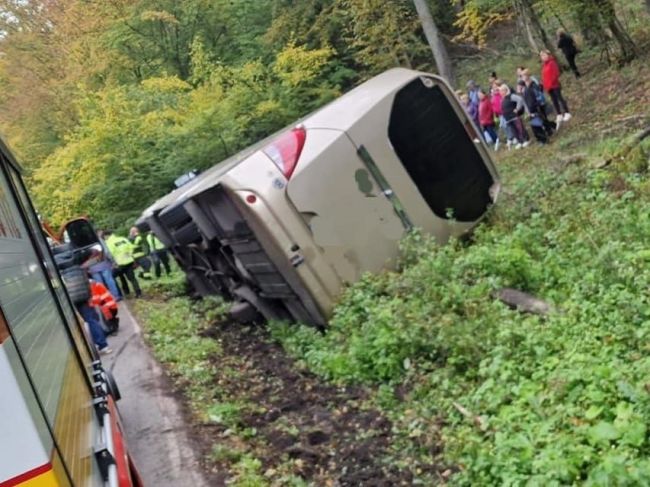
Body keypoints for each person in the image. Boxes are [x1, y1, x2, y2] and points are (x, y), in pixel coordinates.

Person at [105, 230, 142, 298]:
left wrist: (112, 263)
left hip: (119, 264)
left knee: (112, 277)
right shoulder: (122, 239)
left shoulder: (108, 243)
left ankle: (122, 293)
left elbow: (110, 253)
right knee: (132, 278)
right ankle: (138, 293)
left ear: (107, 236)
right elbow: (131, 247)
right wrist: (129, 254)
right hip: (128, 261)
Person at [86, 233, 122, 301]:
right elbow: (106, 251)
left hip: (92, 267)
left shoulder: (81, 242)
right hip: (103, 264)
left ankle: (106, 299)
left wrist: (87, 268)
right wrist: (112, 261)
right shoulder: (98, 239)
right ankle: (116, 296)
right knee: (109, 280)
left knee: (99, 284)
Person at [540, 49, 571, 123]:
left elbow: (556, 73)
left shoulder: (552, 62)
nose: (542, 57)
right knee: (554, 101)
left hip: (555, 85)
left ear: (548, 55)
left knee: (560, 99)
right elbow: (544, 76)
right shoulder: (544, 65)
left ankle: (567, 112)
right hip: (549, 87)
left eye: (544, 55)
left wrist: (551, 82)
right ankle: (559, 114)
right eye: (541, 56)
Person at [499, 84, 530, 149]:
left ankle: (526, 140)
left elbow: (520, 99)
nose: (500, 92)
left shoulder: (511, 96)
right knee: (514, 131)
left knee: (520, 129)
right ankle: (520, 142)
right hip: (508, 118)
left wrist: (517, 109)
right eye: (500, 91)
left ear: (505, 90)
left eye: (502, 91)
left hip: (514, 117)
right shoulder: (502, 99)